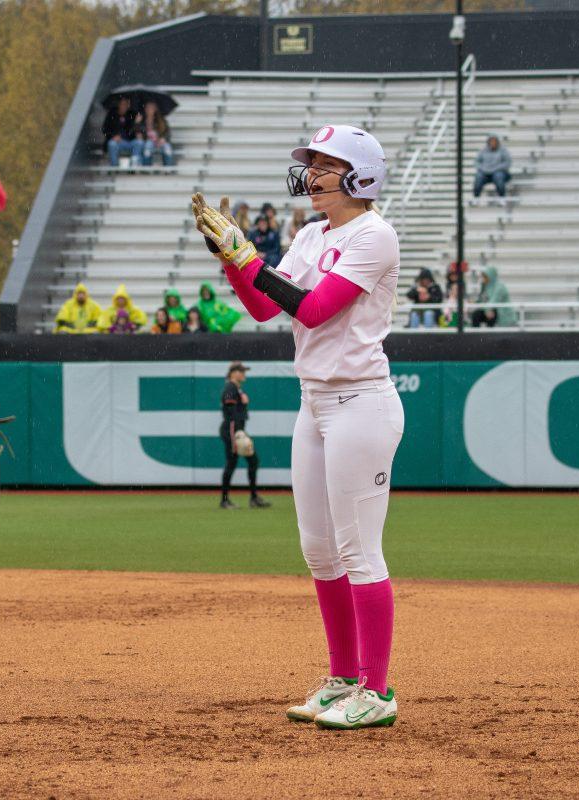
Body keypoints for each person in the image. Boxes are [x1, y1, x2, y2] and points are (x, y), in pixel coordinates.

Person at [192, 122, 403, 730]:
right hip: (315, 403)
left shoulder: (375, 235)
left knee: (359, 550)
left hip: (362, 402)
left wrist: (246, 256)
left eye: (325, 162)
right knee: (319, 549)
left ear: (360, 175)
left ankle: (377, 690)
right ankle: (342, 681)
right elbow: (264, 304)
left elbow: (311, 308)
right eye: (311, 162)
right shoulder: (313, 233)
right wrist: (235, 263)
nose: (311, 172)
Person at [218, 362, 269, 510]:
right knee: (232, 463)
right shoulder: (230, 388)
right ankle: (225, 500)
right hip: (232, 430)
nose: (243, 373)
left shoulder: (237, 389)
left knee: (253, 461)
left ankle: (253, 498)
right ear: (233, 373)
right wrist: (237, 434)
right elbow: (229, 410)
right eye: (241, 371)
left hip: (237, 430)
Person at [101, 95, 143, 168]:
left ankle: (134, 165)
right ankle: (115, 167)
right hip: (117, 142)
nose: (124, 106)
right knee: (112, 144)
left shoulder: (132, 114)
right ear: (118, 104)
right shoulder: (112, 114)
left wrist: (136, 123)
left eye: (126, 104)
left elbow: (134, 131)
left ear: (128, 105)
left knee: (139, 143)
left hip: (130, 141)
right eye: (122, 104)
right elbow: (105, 129)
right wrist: (113, 136)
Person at [472, 134, 511, 199]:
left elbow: (507, 163)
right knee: (479, 176)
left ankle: (502, 198)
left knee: (498, 176)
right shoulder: (483, 151)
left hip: (499, 172)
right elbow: (476, 162)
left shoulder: (503, 151)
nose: (493, 143)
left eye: (494, 141)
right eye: (491, 141)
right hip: (485, 173)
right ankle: (476, 198)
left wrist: (497, 168)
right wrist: (483, 168)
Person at [140, 100, 173, 167]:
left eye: (151, 108)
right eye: (147, 108)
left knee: (167, 148)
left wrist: (163, 139)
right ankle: (146, 169)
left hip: (159, 141)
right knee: (148, 146)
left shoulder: (160, 120)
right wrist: (137, 123)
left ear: (155, 109)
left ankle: (168, 169)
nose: (149, 110)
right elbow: (138, 133)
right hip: (147, 142)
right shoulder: (142, 120)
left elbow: (168, 132)